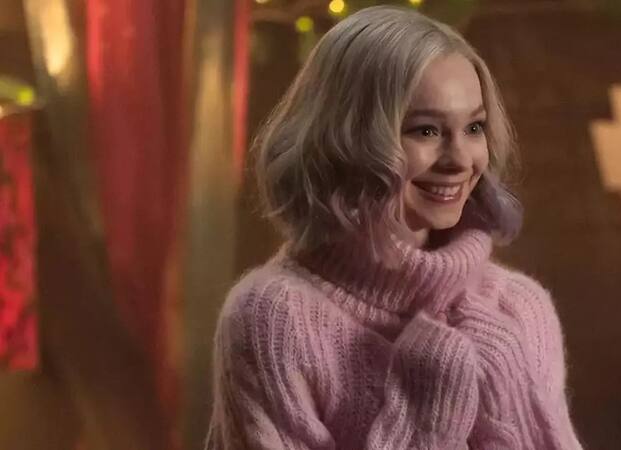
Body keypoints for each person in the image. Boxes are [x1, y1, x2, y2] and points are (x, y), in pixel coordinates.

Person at [205, 5, 583, 449]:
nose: (460, 160)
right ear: (347, 137)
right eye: (425, 131)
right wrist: (423, 425)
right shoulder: (272, 318)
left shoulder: (519, 308)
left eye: (474, 127)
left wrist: (512, 405)